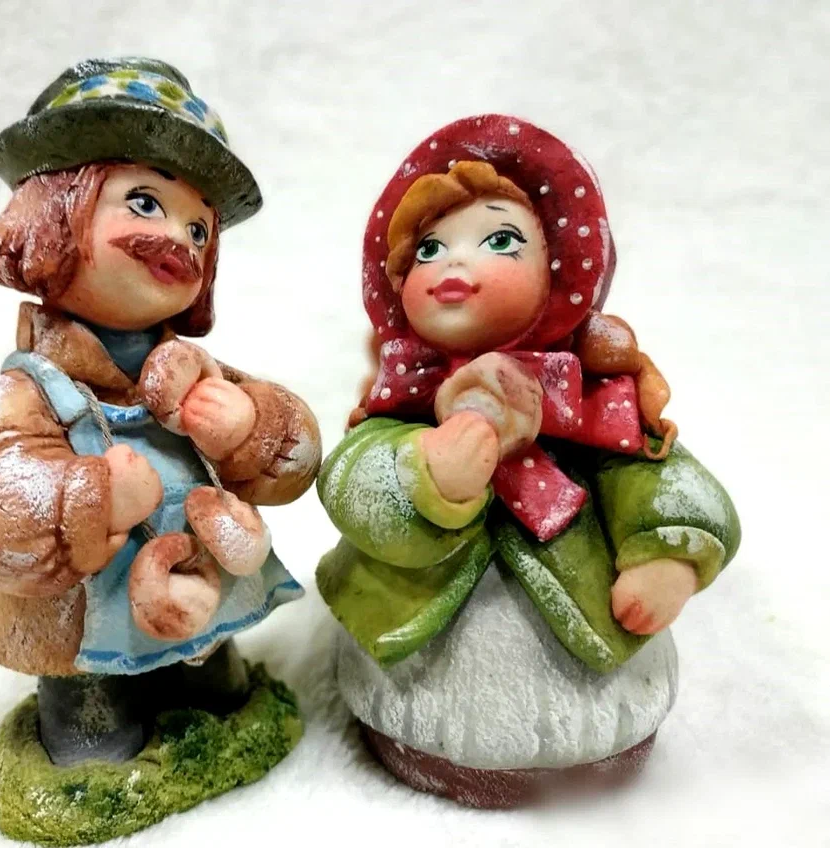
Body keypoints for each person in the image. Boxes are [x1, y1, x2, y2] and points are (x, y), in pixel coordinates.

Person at [316, 115, 740, 806]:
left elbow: (659, 473)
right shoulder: (402, 406)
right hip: (415, 674)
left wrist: (669, 552)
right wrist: (424, 474)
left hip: (592, 656)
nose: (453, 266)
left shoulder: (592, 404)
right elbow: (347, 484)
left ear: (559, 272)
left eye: (500, 240)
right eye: (428, 249)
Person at [0, 58, 320, 769]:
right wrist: (88, 497)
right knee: (95, 737)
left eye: (199, 230)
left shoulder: (194, 372)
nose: (177, 238)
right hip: (83, 622)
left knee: (217, 688)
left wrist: (249, 427)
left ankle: (211, 693)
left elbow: (297, 457)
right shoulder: (27, 394)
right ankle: (90, 741)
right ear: (55, 214)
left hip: (201, 585)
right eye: (144, 202)